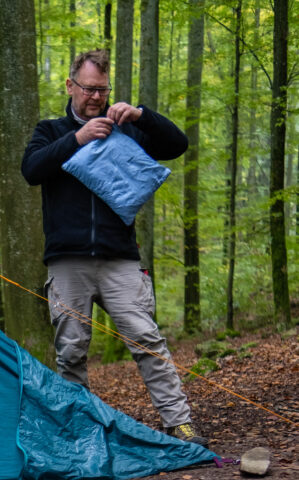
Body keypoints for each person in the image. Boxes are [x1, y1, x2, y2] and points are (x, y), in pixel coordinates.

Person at [21, 48, 207, 446]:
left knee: (147, 340)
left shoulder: (124, 128)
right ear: (70, 85)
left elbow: (177, 144)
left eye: (102, 90)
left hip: (119, 258)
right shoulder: (51, 131)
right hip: (67, 262)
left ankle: (180, 423)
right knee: (71, 350)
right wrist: (77, 139)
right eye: (89, 89)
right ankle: (80, 432)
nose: (96, 97)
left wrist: (141, 115)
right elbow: (31, 170)